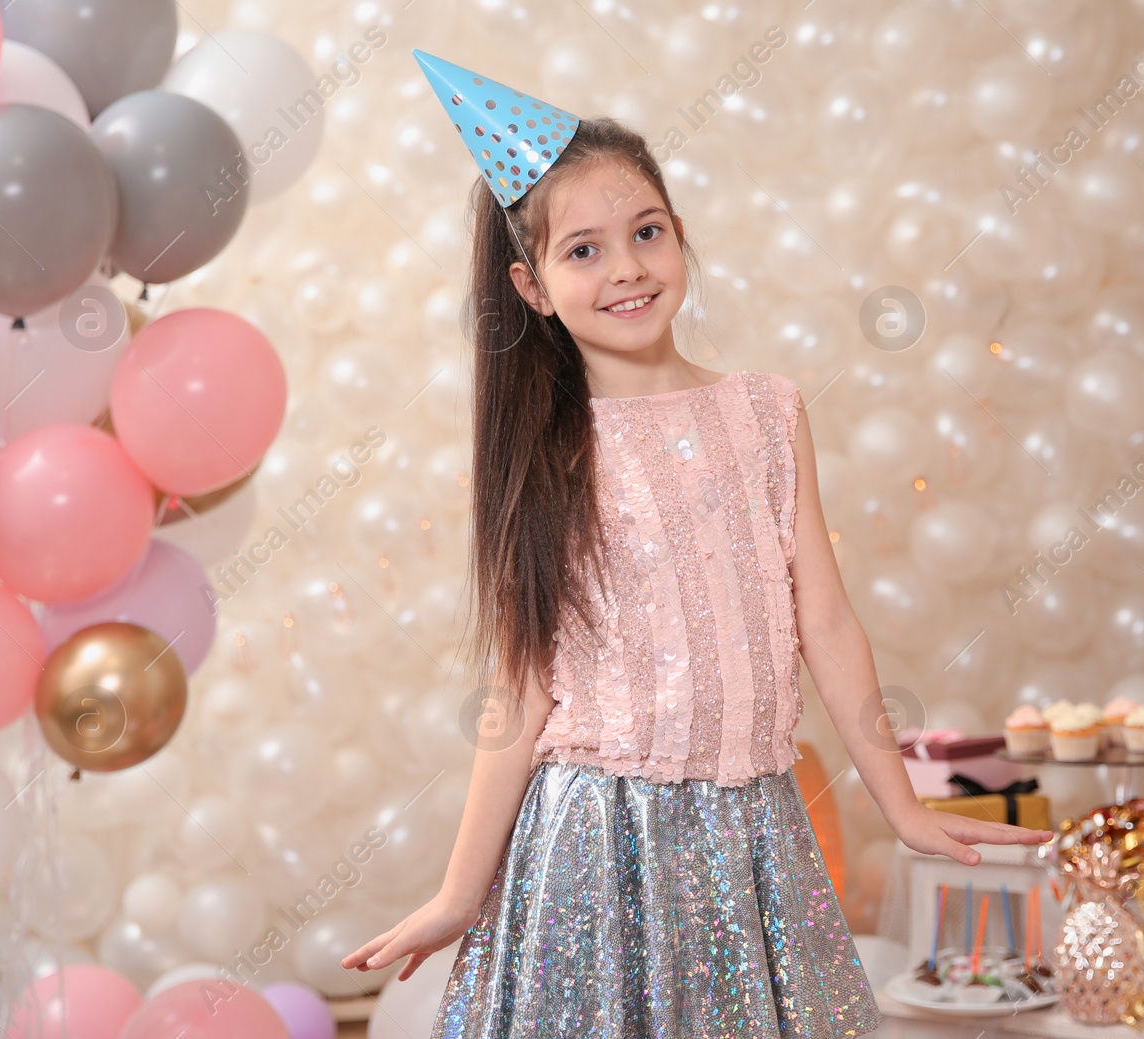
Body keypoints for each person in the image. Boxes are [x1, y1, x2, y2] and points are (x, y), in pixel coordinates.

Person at [341, 52, 1054, 1038]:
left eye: (645, 232)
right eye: (581, 250)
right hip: (590, 840)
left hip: (752, 828)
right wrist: (462, 891)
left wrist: (900, 805)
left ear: (681, 236)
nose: (626, 267)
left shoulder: (765, 413)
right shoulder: (545, 456)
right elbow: (520, 690)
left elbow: (829, 622)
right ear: (532, 286)